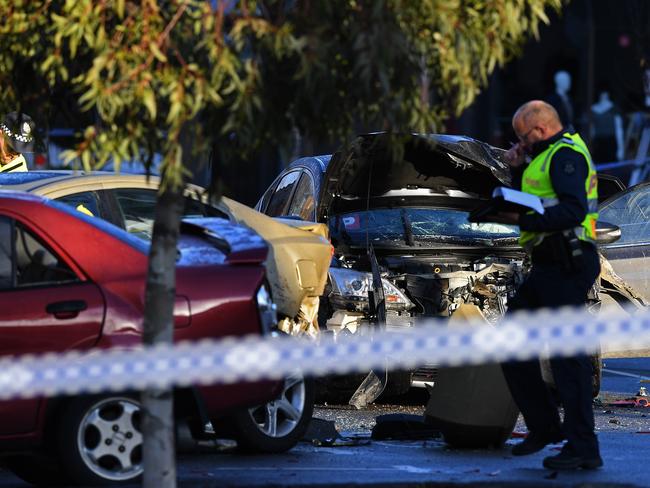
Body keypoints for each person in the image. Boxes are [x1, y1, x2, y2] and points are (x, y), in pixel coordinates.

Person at [494, 100, 602, 470]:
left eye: (522, 138)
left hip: (567, 263)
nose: (519, 144)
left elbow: (572, 210)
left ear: (539, 130)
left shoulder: (565, 155)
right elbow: (532, 200)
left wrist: (522, 219)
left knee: (568, 361)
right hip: (546, 266)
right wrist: (515, 172)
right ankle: (545, 428)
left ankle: (583, 448)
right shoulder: (541, 157)